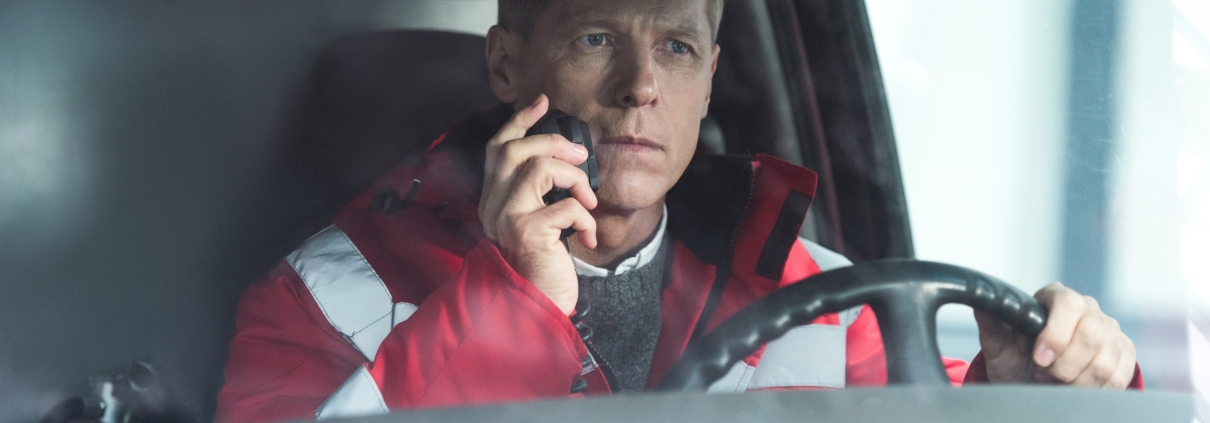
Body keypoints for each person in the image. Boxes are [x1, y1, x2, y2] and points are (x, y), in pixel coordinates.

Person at [215, 0, 1142, 422]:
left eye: (678, 49)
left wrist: (1025, 393)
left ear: (708, 79)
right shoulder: (323, 296)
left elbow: (919, 408)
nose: (640, 87)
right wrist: (508, 304)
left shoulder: (826, 297)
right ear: (506, 65)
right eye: (595, 38)